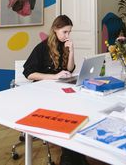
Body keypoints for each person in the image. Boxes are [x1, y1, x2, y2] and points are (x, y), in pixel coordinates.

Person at [23, 14, 89, 165]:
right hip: (45, 92)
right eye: (65, 32)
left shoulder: (64, 45)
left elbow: (70, 70)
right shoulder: (42, 48)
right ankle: (69, 157)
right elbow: (29, 73)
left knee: (80, 106)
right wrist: (54, 76)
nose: (67, 35)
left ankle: (76, 154)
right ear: (55, 29)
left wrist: (71, 51)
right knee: (69, 111)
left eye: (69, 32)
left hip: (60, 88)